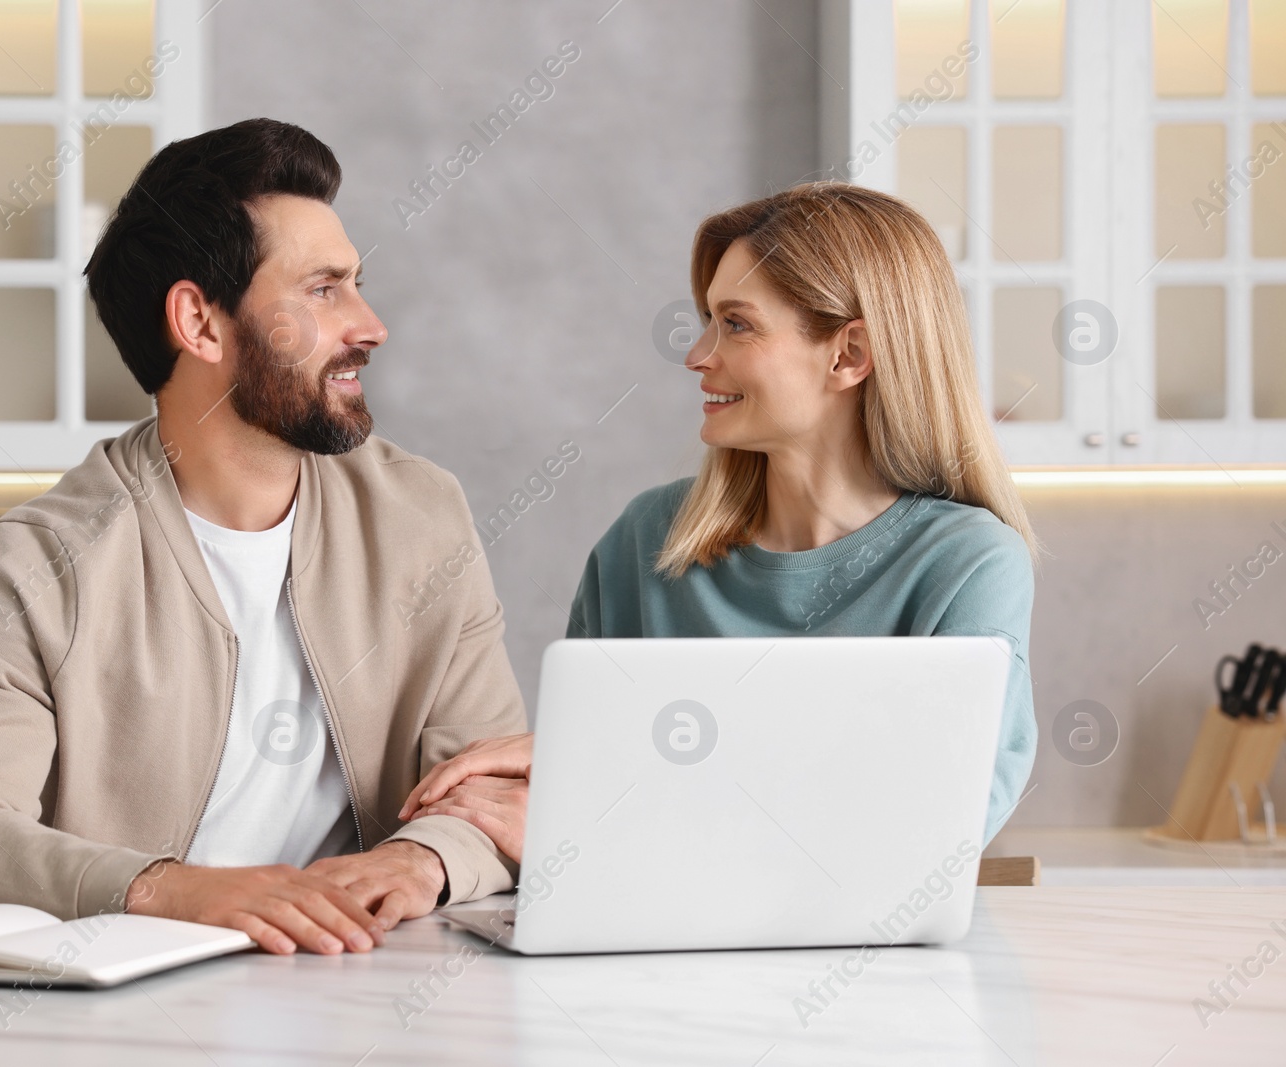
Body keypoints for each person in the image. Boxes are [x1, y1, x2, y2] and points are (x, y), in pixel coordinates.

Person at [0, 119, 527, 956]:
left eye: (356, 285)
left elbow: (493, 791)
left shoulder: (421, 516)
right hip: (130, 1012)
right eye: (324, 290)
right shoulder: (47, 559)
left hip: (368, 985)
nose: (370, 325)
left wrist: (421, 857)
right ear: (200, 322)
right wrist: (171, 889)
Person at [400, 183, 1039, 861]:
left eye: (736, 323)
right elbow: (583, 805)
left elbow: (929, 833)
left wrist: (619, 790)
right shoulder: (646, 540)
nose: (698, 355)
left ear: (849, 354)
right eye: (708, 319)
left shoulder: (969, 565)